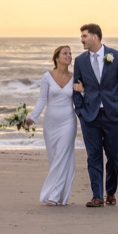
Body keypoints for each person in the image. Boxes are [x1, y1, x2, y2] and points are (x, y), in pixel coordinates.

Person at [74, 23, 118, 208]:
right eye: (81, 36)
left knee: (113, 155)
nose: (81, 39)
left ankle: (111, 191)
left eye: (84, 36)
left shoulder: (116, 56)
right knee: (93, 156)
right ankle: (97, 196)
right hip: (89, 117)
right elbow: (76, 87)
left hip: (113, 114)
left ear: (95, 37)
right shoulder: (80, 60)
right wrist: (80, 111)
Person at [27, 44, 81, 206]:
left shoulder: (75, 77)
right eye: (65, 53)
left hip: (68, 121)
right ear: (57, 58)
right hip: (51, 123)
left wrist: (83, 90)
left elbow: (82, 98)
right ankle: (59, 194)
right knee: (54, 158)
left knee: (62, 157)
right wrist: (32, 118)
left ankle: (54, 196)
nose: (69, 56)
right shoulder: (47, 77)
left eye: (70, 54)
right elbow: (42, 99)